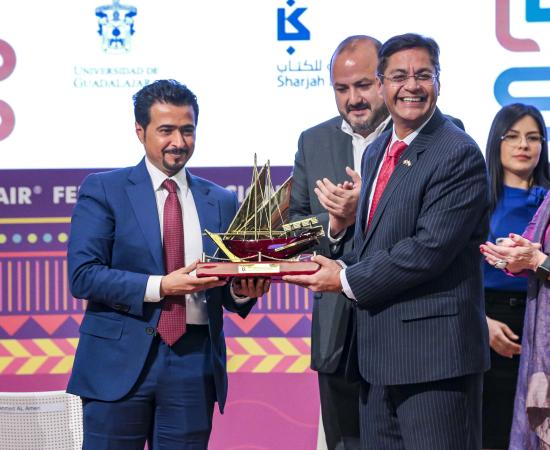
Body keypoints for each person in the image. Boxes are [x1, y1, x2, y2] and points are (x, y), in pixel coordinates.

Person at [285, 33, 490, 449]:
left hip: (434, 361)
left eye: (423, 75)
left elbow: (428, 250)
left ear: (438, 80)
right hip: (376, 359)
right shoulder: (377, 151)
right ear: (384, 84)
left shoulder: (457, 151)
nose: (411, 86)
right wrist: (339, 242)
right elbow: (372, 243)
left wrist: (344, 279)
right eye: (398, 76)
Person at [66, 79, 270, 450]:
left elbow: (226, 289)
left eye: (187, 130)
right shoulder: (104, 189)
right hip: (117, 361)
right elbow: (84, 276)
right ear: (140, 131)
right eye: (166, 130)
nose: (178, 141)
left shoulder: (221, 200)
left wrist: (243, 291)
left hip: (193, 362)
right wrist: (161, 286)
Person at [289, 35, 389, 450]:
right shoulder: (313, 141)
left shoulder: (426, 134)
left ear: (385, 80)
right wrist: (334, 222)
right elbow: (293, 229)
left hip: (401, 329)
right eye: (341, 88)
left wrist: (364, 208)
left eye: (363, 85)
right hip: (336, 334)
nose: (353, 99)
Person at [481, 104, 550, 449]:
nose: (523, 145)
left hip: (541, 319)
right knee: (491, 431)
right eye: (512, 136)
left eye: (533, 138)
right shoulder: (475, 199)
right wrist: (480, 322)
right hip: (486, 321)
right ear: (496, 141)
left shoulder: (547, 202)